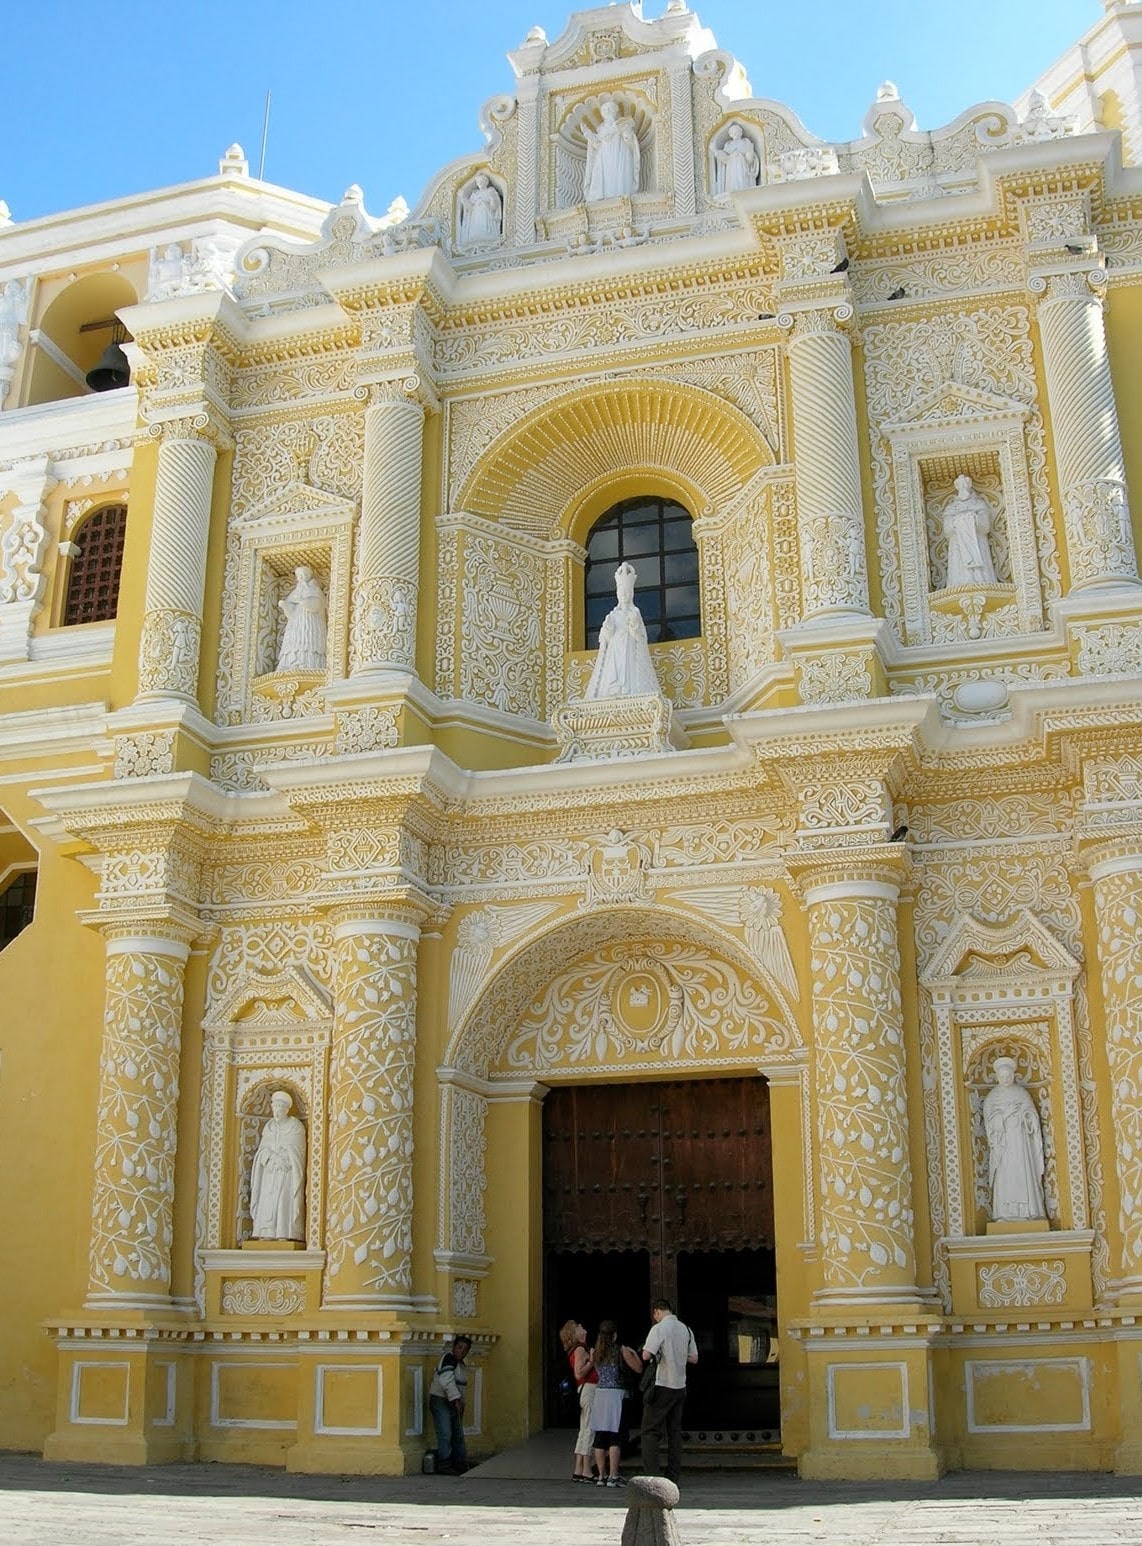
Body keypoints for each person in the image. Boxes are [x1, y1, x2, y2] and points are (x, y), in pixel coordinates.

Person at [639, 1298, 697, 1486]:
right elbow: (694, 1358)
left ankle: (653, 1476)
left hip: (662, 1384)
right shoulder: (686, 1329)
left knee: (650, 1430)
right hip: (680, 1386)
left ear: (657, 1311)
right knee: (675, 1431)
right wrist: (678, 1355)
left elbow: (646, 1355)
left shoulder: (658, 1329)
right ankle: (673, 1475)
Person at [584, 561, 661, 700]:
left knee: (628, 672)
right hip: (614, 650)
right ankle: (614, 689)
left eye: (626, 592)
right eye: (621, 592)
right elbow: (605, 639)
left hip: (629, 649)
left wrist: (634, 626)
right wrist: (608, 629)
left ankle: (628, 690)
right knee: (614, 671)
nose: (624, 595)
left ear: (631, 594)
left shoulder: (635, 613)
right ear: (617, 594)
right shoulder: (612, 615)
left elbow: (641, 638)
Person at [983, 1057, 1047, 1222]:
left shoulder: (1021, 1094)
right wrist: (1006, 1114)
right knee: (1006, 1177)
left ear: (1013, 1075)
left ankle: (1029, 1211)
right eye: (1002, 1076)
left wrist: (1027, 1118)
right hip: (1004, 1146)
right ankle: (1004, 1213)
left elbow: (1032, 1116)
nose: (1006, 1079)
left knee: (1024, 1175)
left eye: (1008, 1076)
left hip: (1021, 1143)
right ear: (998, 1077)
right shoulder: (993, 1097)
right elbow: (990, 1123)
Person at [590, 1320, 642, 1487]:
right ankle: (613, 1475)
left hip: (600, 1394)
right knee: (615, 1436)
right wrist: (634, 1354)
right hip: (616, 1395)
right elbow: (638, 1368)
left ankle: (601, 1476)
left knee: (600, 1435)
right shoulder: (621, 1350)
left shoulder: (595, 1352)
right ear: (614, 1335)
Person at [249, 1091, 306, 1241]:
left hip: (286, 1172)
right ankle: (266, 1232)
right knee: (267, 1200)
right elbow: (262, 1150)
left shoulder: (295, 1126)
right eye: (275, 1108)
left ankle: (284, 1233)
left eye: (280, 1108)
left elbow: (299, 1151)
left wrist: (285, 1157)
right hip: (269, 1171)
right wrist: (270, 1156)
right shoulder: (269, 1127)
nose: (277, 1111)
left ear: (286, 1109)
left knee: (283, 1201)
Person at [559, 1319, 598, 1482]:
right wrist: (592, 1361)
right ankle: (587, 1469)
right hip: (589, 1388)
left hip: (584, 1390)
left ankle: (578, 1469)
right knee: (589, 1429)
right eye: (577, 1326)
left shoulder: (578, 1348)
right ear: (575, 1334)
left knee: (584, 1430)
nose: (582, 1326)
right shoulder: (581, 1349)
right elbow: (579, 1373)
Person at [942, 474, 997, 587]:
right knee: (959, 570)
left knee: (981, 575)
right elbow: (947, 530)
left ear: (970, 485)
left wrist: (974, 519)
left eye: (966, 484)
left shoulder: (979, 504)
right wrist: (957, 521)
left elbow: (985, 526)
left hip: (977, 543)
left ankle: (982, 580)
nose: (963, 487)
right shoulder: (951, 508)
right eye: (960, 484)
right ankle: (958, 583)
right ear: (957, 487)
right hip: (958, 546)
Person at [429, 1335, 472, 1474]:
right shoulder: (448, 1359)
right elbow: (446, 1380)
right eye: (459, 1347)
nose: (462, 1351)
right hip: (441, 1400)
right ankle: (444, 1464)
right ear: (454, 1347)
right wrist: (456, 1399)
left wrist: (461, 1402)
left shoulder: (462, 1366)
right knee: (445, 1433)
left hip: (454, 1402)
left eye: (465, 1349)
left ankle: (460, 1463)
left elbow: (461, 1387)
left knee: (457, 1434)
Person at [584, 102, 640, 201]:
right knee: (606, 177)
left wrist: (626, 132)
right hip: (604, 158)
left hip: (620, 154)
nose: (608, 111)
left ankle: (622, 198)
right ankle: (604, 199)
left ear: (615, 111)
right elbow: (596, 145)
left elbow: (630, 142)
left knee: (620, 178)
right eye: (605, 109)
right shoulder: (601, 130)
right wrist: (588, 134)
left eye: (610, 108)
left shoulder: (622, 123)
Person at [277, 565, 327, 672]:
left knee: (309, 640)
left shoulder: (315, 590)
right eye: (299, 576)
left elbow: (316, 606)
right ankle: (291, 663)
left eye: (303, 575)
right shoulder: (295, 592)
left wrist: (302, 601)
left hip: (311, 622)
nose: (301, 577)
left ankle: (309, 663)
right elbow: (290, 613)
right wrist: (285, 606)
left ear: (308, 575)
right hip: (296, 624)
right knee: (294, 642)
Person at [714, 123, 760, 194]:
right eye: (733, 132)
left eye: (737, 131)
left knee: (742, 180)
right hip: (731, 166)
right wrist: (717, 152)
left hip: (743, 165)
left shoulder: (746, 142)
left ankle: (745, 190)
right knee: (733, 180)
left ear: (741, 133)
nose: (735, 133)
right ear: (730, 134)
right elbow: (725, 158)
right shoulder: (728, 145)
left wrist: (749, 155)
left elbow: (751, 157)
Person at [459, 173, 503, 245]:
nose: (480, 183)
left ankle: (489, 235)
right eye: (478, 181)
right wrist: (463, 199)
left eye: (482, 181)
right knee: (476, 229)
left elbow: (494, 207)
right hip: (476, 215)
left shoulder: (490, 191)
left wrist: (492, 198)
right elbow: (470, 208)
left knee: (486, 230)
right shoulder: (475, 193)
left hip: (487, 214)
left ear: (486, 182)